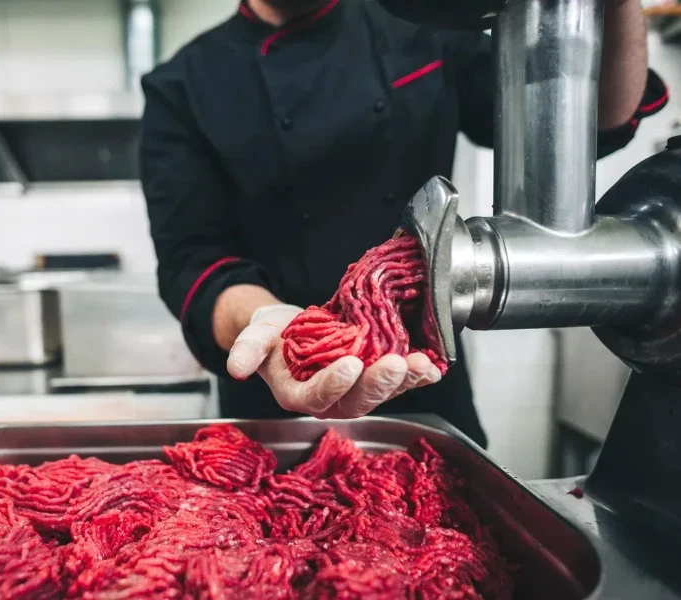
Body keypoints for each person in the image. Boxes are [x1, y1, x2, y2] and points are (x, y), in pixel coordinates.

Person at [139, 0, 667, 447]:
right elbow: (195, 263)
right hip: (274, 399)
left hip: (423, 382)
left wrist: (616, 4)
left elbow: (591, 121)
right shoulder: (183, 85)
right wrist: (280, 330)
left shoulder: (421, 21)